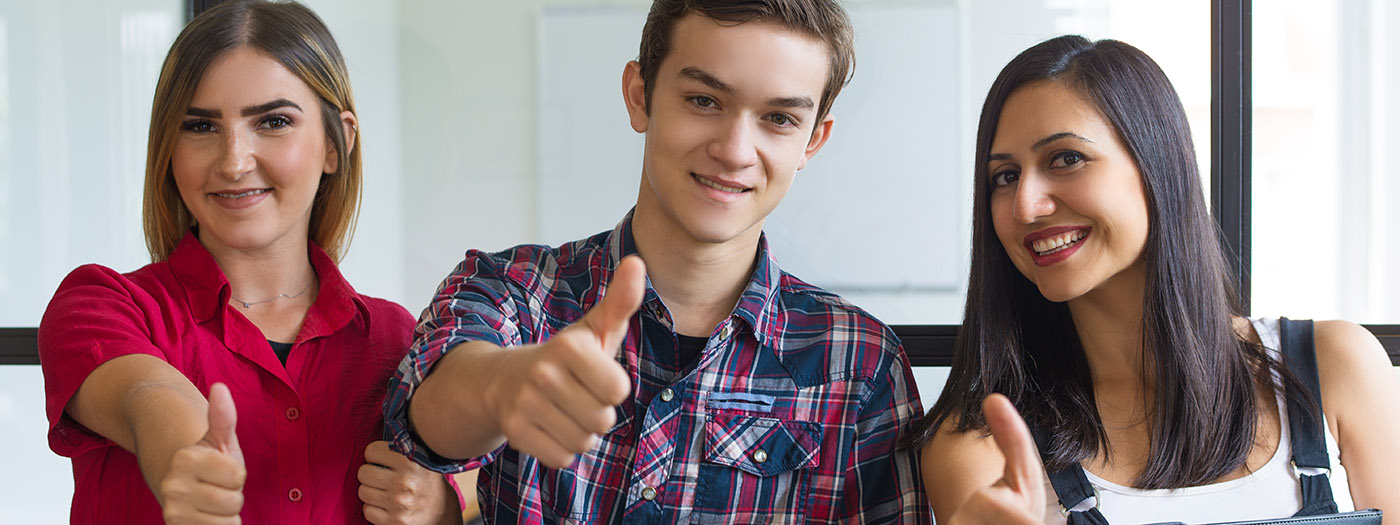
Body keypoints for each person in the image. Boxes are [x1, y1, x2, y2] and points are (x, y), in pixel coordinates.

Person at [382, 0, 930, 522]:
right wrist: (504, 388)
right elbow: (424, 419)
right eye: (704, 101)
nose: (736, 150)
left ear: (813, 140)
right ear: (639, 96)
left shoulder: (861, 363)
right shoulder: (515, 290)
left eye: (779, 118)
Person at [904, 35, 1400, 523]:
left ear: (1156, 164)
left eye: (1066, 158)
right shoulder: (977, 446)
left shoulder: (1335, 366)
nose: (1026, 205)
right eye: (1005, 176)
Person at [37, 1, 461, 523]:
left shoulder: (397, 340)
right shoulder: (101, 305)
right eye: (200, 126)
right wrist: (187, 455)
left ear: (336, 143)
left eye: (273, 121)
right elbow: (147, 395)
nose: (234, 162)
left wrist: (445, 506)